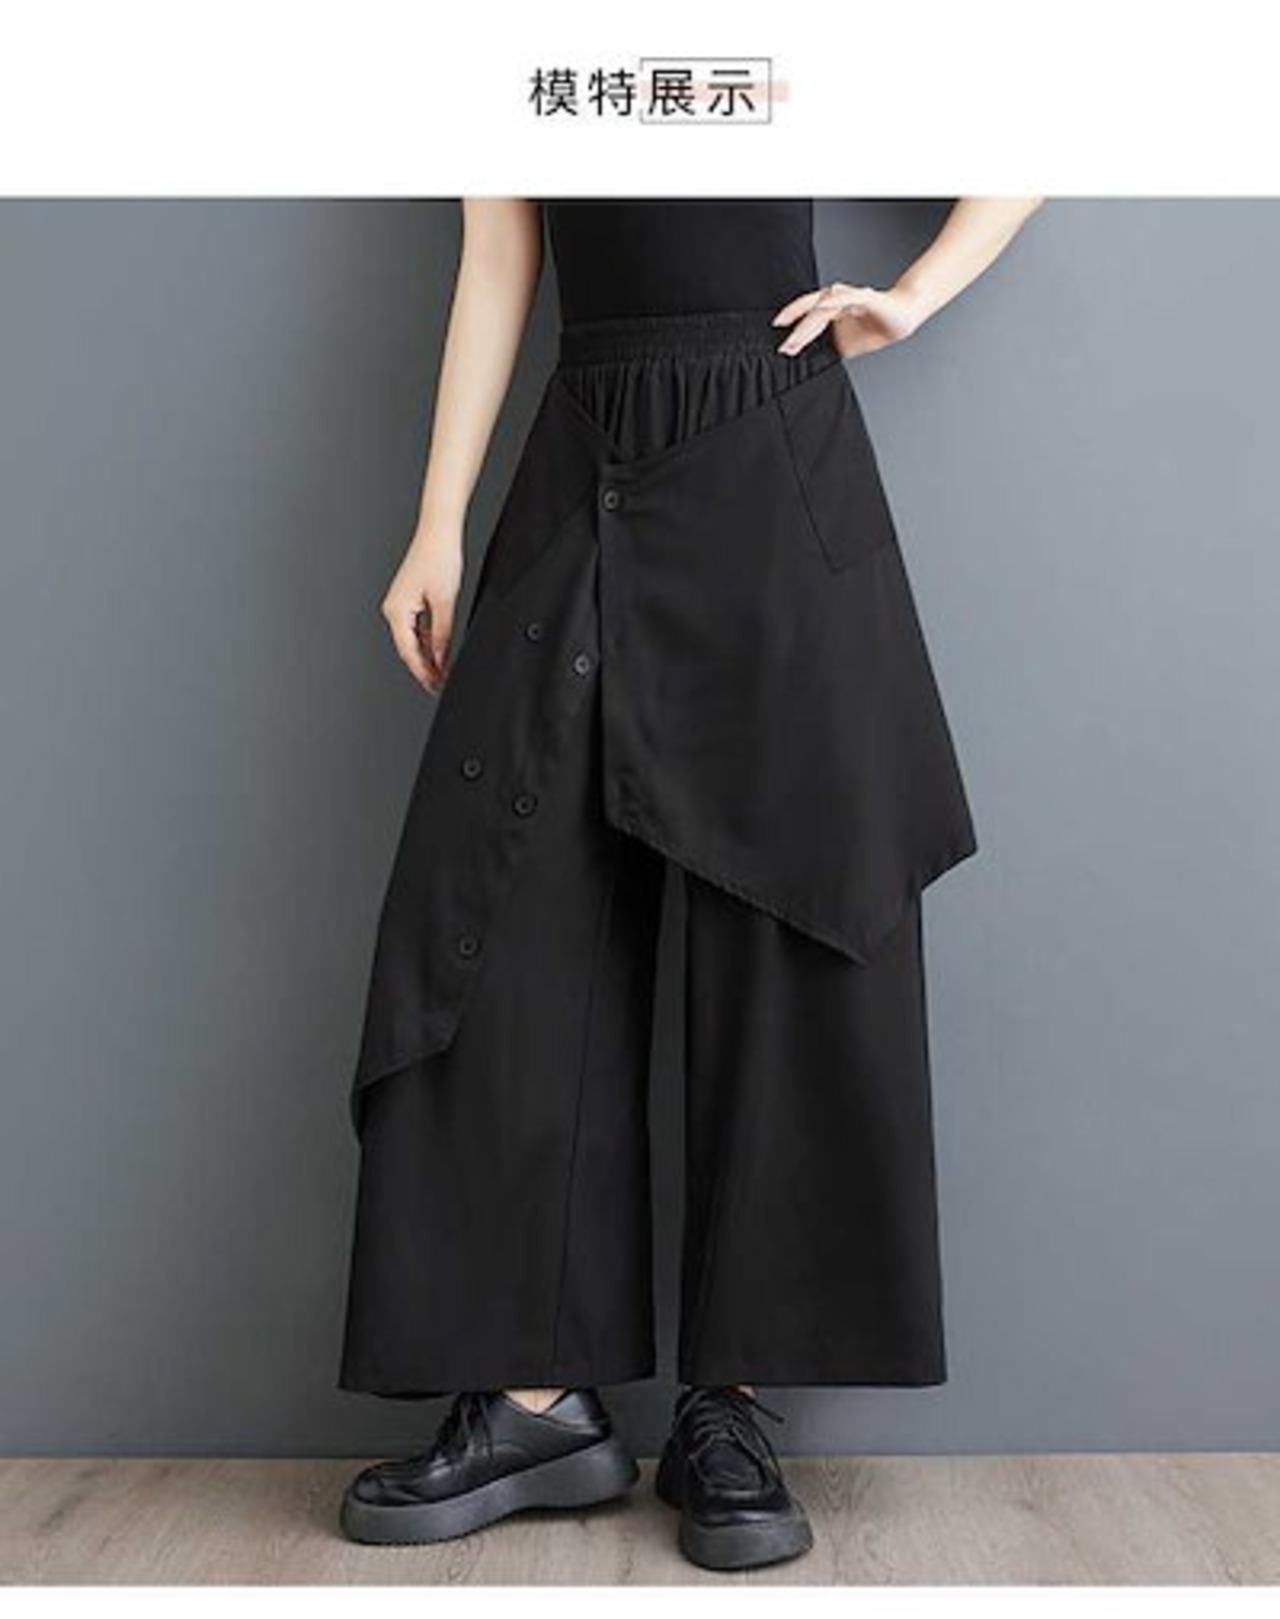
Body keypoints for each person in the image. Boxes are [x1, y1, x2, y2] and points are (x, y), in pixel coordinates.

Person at [336, 197, 1043, 1572]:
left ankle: (733, 1405)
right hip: (584, 439)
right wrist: (438, 520)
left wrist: (914, 294)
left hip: (768, 442)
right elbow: (501, 252)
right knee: (505, 916)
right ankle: (535, 1400)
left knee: (791, 907)